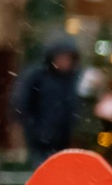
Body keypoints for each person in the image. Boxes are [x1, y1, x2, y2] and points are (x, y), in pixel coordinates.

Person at [13, 34, 92, 166]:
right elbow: (21, 103)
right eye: (61, 56)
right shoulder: (37, 76)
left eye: (68, 57)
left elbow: (81, 106)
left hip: (67, 140)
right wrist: (33, 128)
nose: (64, 61)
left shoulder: (76, 78)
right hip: (40, 141)